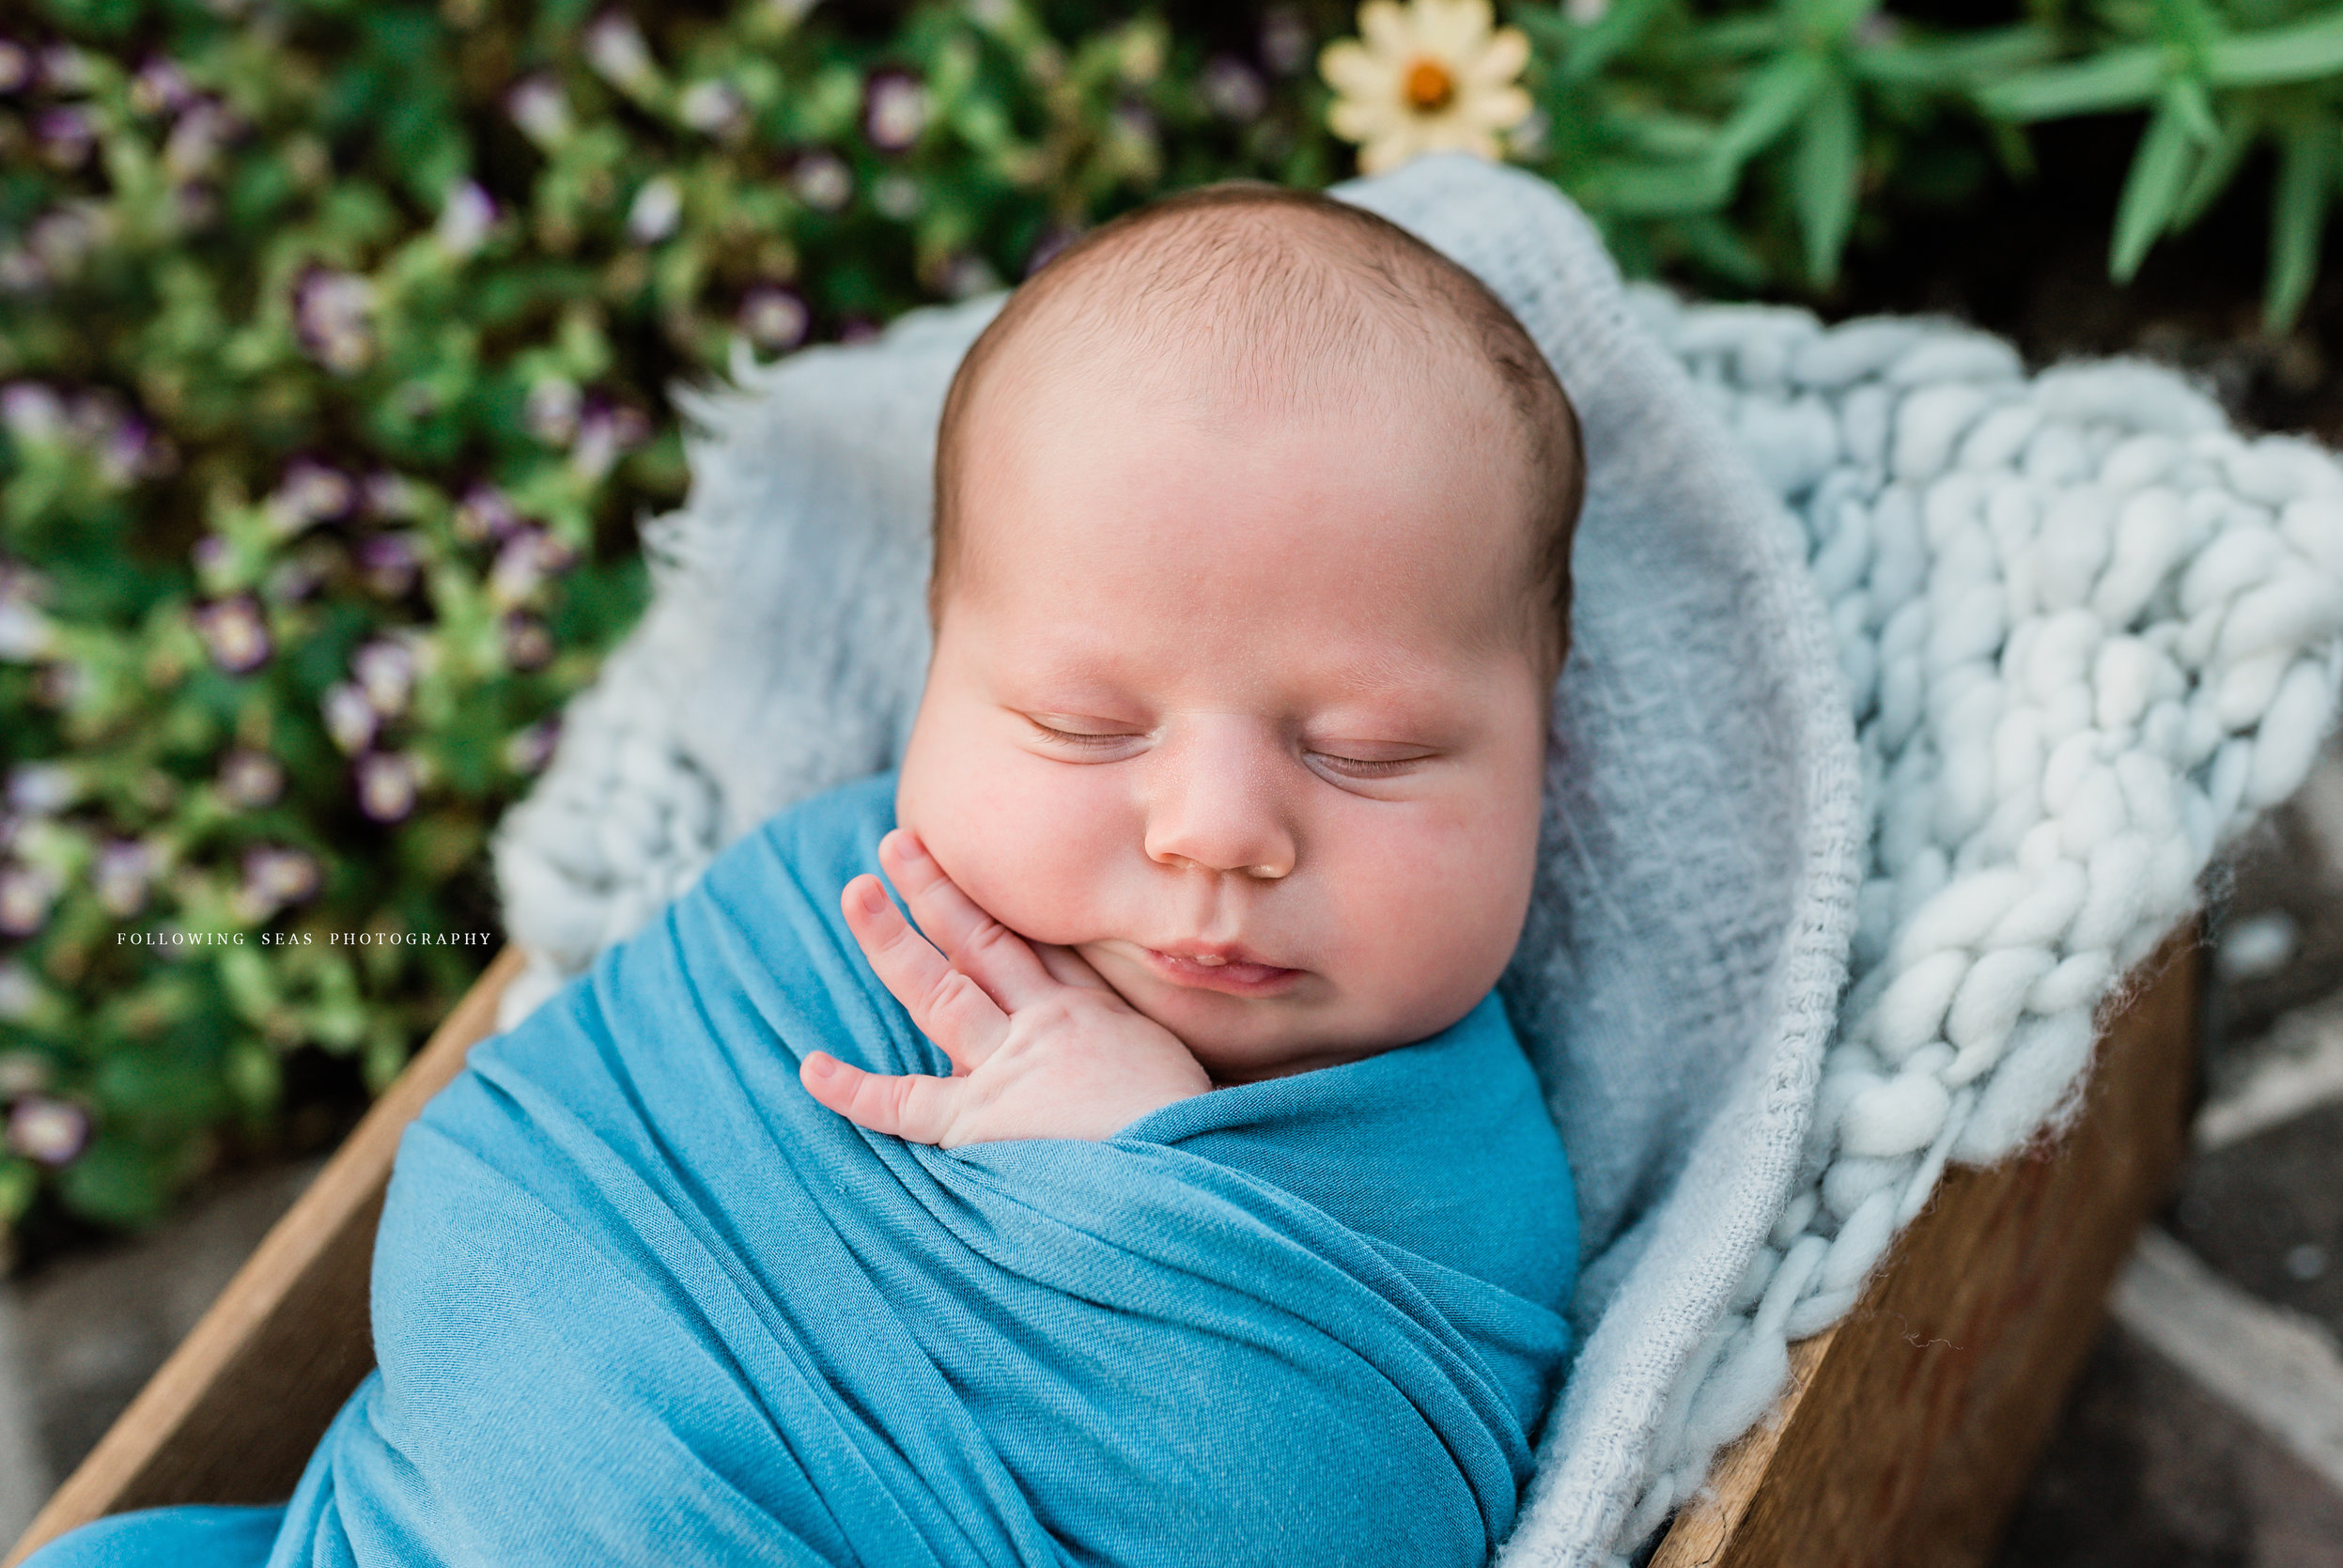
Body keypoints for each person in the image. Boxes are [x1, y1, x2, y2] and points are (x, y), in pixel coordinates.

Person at [26, 181, 1590, 1568]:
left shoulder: (1457, 1166)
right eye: (1082, 723)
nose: (1217, 831)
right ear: (935, 670)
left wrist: (1117, 1184)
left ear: (1545, 734)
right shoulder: (831, 908)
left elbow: (1369, 1518)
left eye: (1368, 750)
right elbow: (524, 1172)